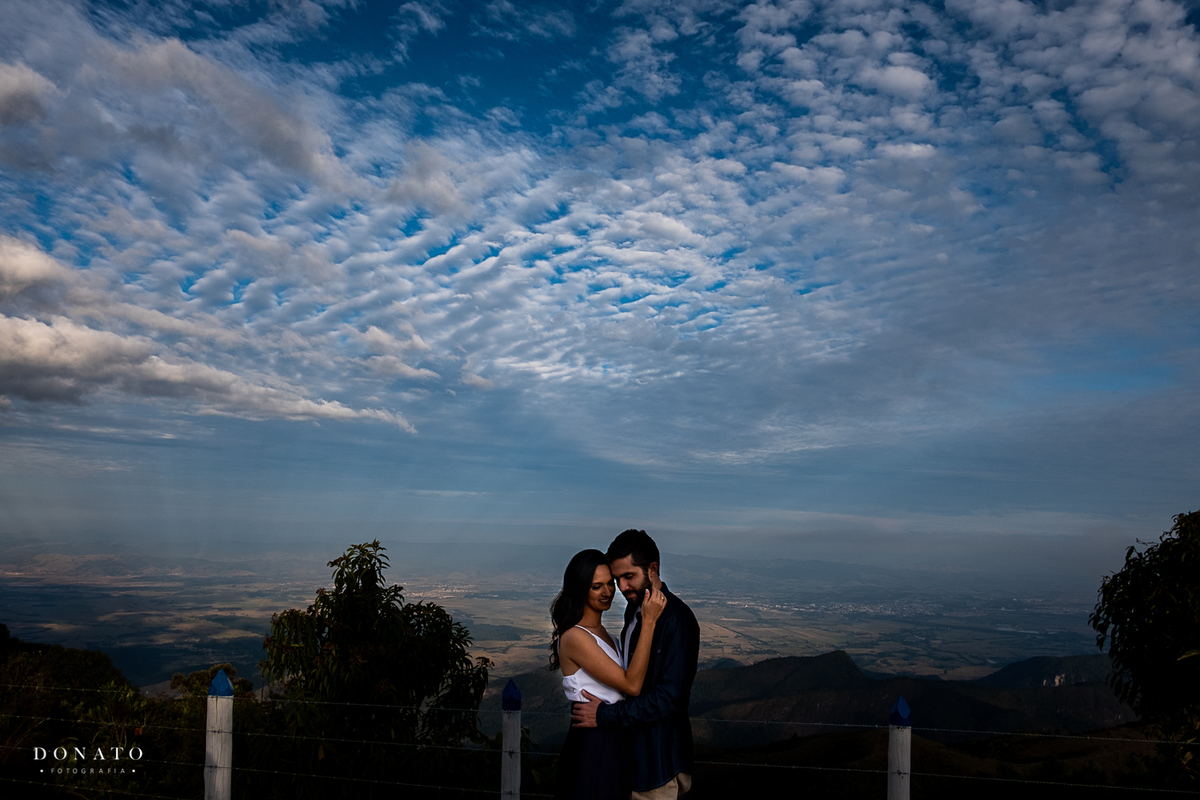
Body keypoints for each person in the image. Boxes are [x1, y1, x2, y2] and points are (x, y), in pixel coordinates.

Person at [570, 530, 700, 800]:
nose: (622, 588)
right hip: (632, 760)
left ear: (652, 569)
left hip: (659, 766)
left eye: (629, 576)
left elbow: (669, 698)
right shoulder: (635, 611)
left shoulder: (678, 619)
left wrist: (605, 716)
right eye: (617, 579)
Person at [550, 548, 667, 800]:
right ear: (580, 589)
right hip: (592, 742)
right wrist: (648, 622)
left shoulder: (609, 636)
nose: (607, 592)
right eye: (596, 586)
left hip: (613, 735)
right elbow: (632, 685)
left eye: (609, 584)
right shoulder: (575, 637)